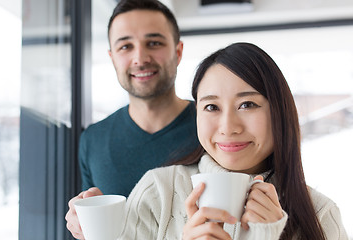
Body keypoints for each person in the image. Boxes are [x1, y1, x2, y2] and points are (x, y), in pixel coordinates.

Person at [118, 42, 348, 239]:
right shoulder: (159, 191)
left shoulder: (321, 214)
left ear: (279, 112)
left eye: (247, 105)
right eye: (211, 107)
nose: (228, 127)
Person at [65, 0, 200, 239]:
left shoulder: (214, 126)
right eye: (125, 46)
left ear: (178, 52)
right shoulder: (93, 140)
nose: (140, 58)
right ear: (112, 57)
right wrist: (80, 223)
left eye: (154, 43)